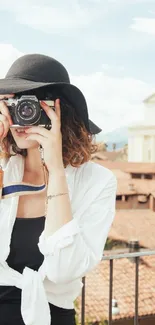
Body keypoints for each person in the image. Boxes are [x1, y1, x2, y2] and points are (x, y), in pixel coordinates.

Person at [0, 54, 117, 325]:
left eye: (30, 104)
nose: (21, 114)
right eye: (12, 103)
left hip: (53, 316)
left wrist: (56, 170)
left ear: (58, 110)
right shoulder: (5, 169)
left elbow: (65, 270)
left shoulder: (97, 181)